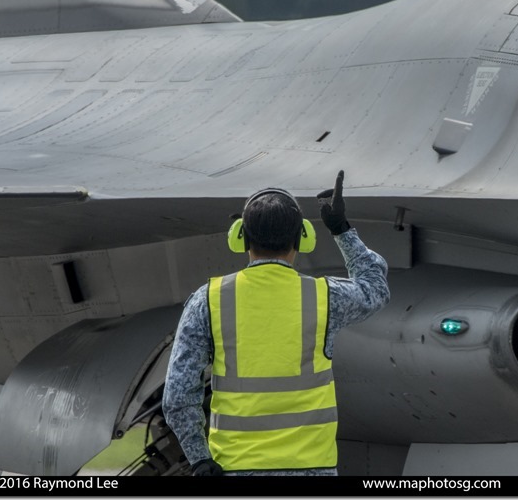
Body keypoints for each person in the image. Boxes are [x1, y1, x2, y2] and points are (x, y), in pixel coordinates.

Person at [163, 170, 390, 476]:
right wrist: (341, 230)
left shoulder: (209, 300)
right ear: (301, 237)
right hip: (312, 470)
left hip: (235, 469)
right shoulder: (324, 296)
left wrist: (200, 459)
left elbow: (178, 397)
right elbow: (374, 289)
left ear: (240, 237)